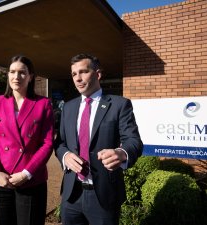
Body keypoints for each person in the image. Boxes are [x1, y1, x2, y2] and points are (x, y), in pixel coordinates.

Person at [55, 53, 143, 225]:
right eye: (74, 74)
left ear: (98, 74)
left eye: (83, 72)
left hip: (104, 194)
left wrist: (121, 152)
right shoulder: (69, 107)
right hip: (72, 194)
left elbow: (134, 141)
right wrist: (65, 155)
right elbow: (60, 143)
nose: (78, 78)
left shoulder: (119, 104)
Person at [0, 55, 54, 225]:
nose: (17, 77)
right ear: (8, 75)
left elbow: (47, 143)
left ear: (30, 77)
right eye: (12, 72)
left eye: (22, 72)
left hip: (31, 180)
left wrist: (26, 173)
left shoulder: (43, 104)